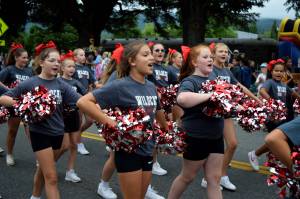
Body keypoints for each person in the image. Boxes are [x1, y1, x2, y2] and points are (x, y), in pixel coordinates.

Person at [77, 41, 168, 199]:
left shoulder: (151, 87)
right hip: (128, 151)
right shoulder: (120, 86)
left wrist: (167, 128)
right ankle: (103, 185)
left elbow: (158, 111)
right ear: (132, 61)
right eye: (145, 55)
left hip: (148, 149)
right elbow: (83, 102)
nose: (151, 58)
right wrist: (111, 122)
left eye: (151, 54)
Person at [0, 43, 80, 199]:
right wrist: (26, 103)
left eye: (58, 61)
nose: (56, 63)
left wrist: (107, 111)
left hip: (58, 134)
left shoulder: (62, 85)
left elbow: (82, 101)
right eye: (52, 60)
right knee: (52, 177)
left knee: (43, 170)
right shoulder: (31, 83)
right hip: (39, 133)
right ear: (41, 62)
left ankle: (35, 197)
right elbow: (4, 98)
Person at [202, 43, 261, 191]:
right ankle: (208, 178)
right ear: (213, 54)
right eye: (220, 51)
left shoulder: (227, 71)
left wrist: (257, 99)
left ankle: (221, 176)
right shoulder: (211, 70)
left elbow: (240, 86)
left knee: (232, 144)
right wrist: (237, 106)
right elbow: (217, 94)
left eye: (226, 52)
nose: (224, 54)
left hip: (225, 113)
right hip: (212, 114)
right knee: (211, 149)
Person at [168, 44, 224, 199]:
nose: (210, 60)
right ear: (194, 62)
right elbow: (182, 98)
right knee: (187, 177)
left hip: (216, 137)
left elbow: (227, 99)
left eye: (211, 57)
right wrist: (211, 95)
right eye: (205, 57)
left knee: (214, 179)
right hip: (196, 137)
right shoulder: (190, 81)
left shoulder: (214, 79)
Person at [248, 59, 300, 171]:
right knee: (278, 140)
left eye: (281, 71)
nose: (279, 73)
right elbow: (262, 90)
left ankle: (257, 155)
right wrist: (272, 102)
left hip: (285, 118)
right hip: (273, 118)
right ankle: (267, 159)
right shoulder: (270, 82)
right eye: (276, 70)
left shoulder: (284, 85)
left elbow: (293, 93)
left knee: (282, 140)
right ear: (271, 72)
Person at [0, 42, 33, 166]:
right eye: (24, 57)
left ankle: (40, 158)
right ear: (16, 57)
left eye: (27, 57)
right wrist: (9, 90)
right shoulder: (9, 69)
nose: (26, 59)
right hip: (13, 105)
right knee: (13, 131)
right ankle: (9, 154)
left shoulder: (30, 71)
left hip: (27, 105)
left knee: (32, 132)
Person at [58, 51, 87, 183]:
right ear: (62, 68)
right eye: (69, 66)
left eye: (73, 67)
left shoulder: (76, 83)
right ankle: (48, 164)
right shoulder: (57, 81)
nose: (72, 69)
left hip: (74, 115)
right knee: (64, 146)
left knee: (74, 144)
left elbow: (86, 97)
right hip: (61, 116)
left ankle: (70, 171)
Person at [73, 48, 96, 155]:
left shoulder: (87, 69)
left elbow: (93, 83)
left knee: (90, 120)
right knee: (78, 122)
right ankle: (78, 143)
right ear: (75, 57)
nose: (83, 57)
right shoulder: (72, 68)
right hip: (75, 98)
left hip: (86, 98)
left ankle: (77, 134)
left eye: (84, 55)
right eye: (81, 55)